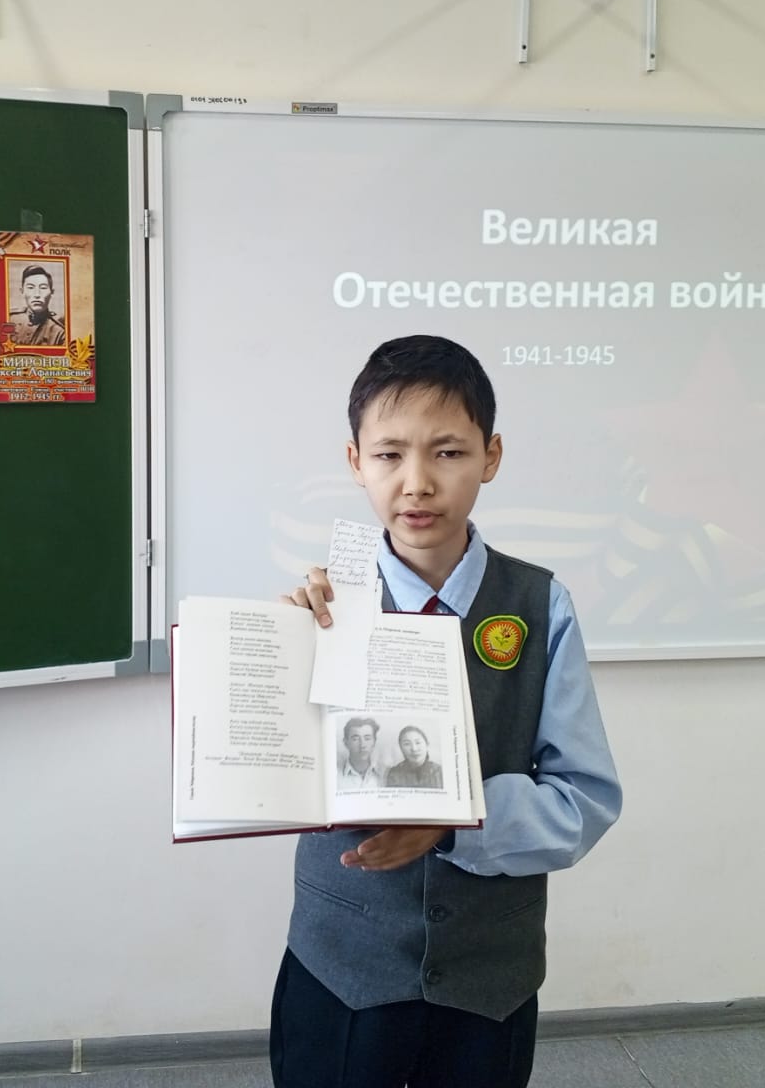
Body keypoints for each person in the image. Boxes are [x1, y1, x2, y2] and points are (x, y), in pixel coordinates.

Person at [271, 334, 621, 1088]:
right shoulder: (320, 609)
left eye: (449, 452)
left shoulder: (541, 606)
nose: (418, 482)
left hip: (487, 980)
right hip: (340, 966)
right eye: (389, 454)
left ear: (491, 457)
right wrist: (281, 655)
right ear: (355, 461)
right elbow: (277, 772)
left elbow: (584, 799)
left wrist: (452, 821)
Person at [7, 263, 66, 347]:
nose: (37, 294)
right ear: (22, 291)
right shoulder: (10, 319)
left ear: (52, 292)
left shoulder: (60, 332)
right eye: (30, 288)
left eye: (43, 288)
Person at [384, 725, 443, 790]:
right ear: (401, 748)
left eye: (418, 743)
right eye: (407, 744)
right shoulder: (394, 773)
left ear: (427, 745)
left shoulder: (440, 772)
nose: (414, 749)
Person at [338, 716, 383, 789]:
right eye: (355, 739)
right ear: (346, 742)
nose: (362, 745)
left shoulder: (385, 774)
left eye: (367, 738)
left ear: (374, 742)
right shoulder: (336, 775)